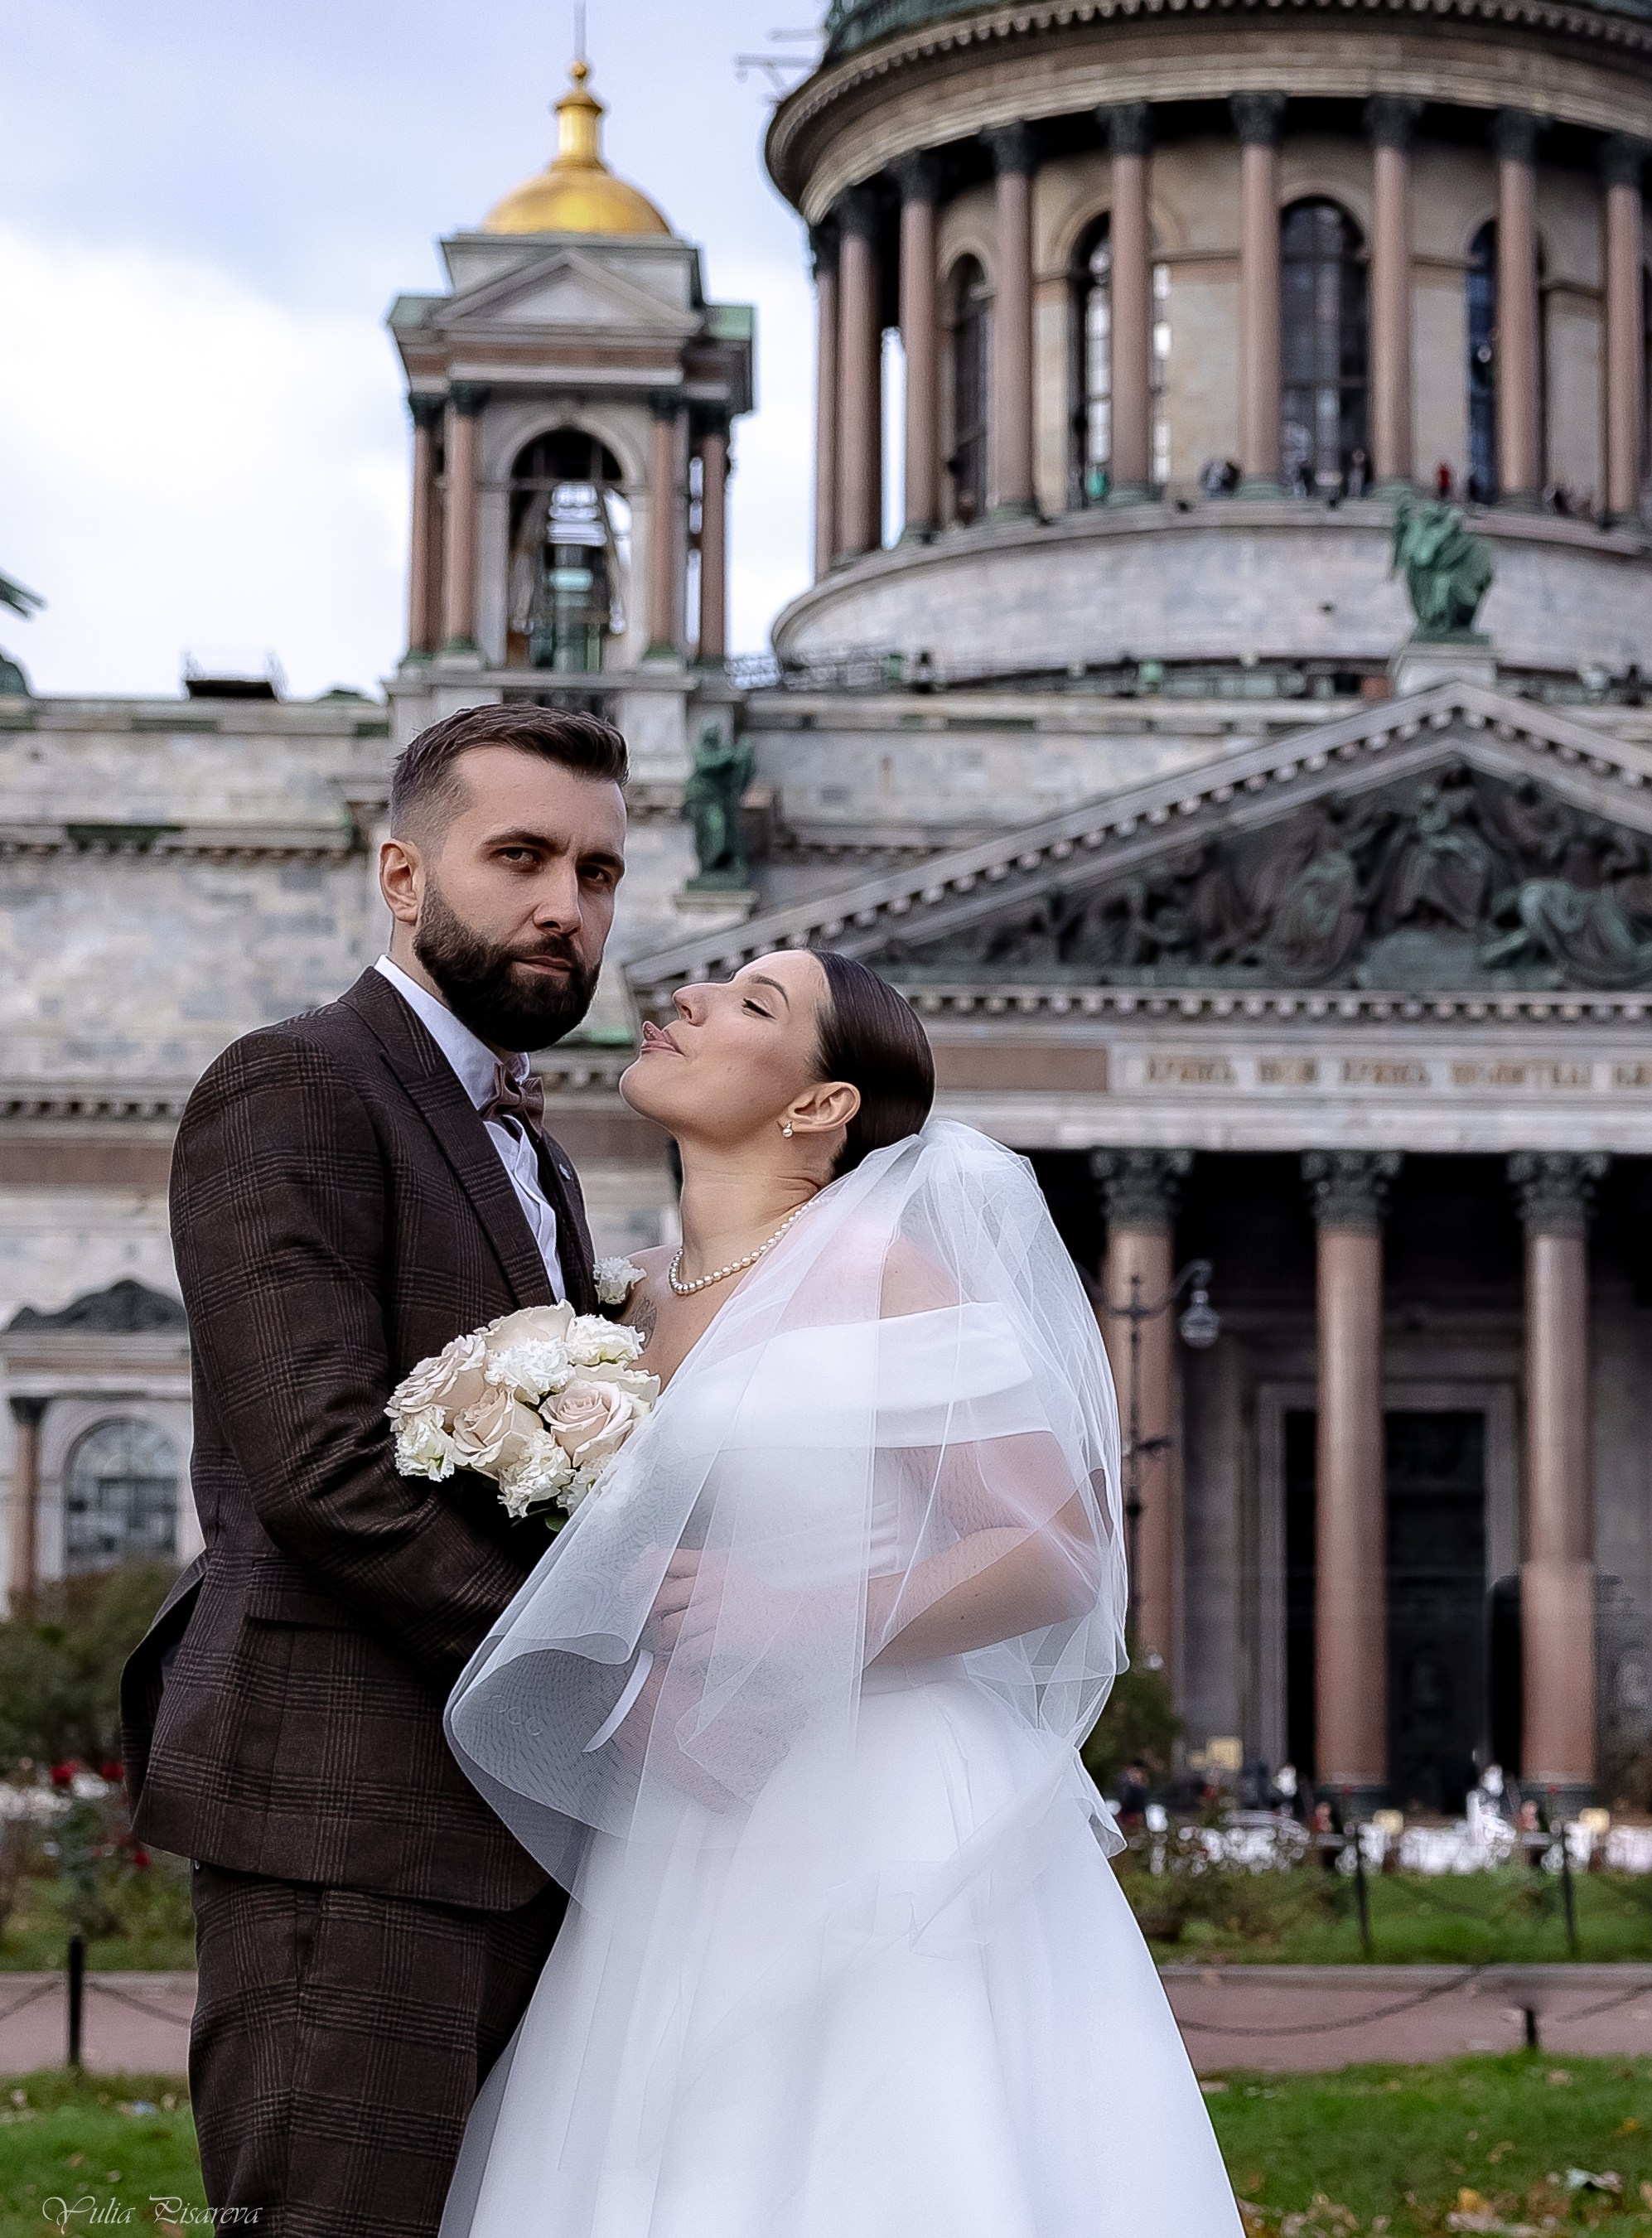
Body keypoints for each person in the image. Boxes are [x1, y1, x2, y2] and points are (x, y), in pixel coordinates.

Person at [438, 950, 1241, 2236]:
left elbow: (1056, 1547)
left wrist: (802, 1612)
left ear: (819, 1106)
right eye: (706, 987)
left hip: (877, 1804)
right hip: (687, 1808)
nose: (688, 1000)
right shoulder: (619, 1299)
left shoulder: (877, 1266)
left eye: (753, 1003)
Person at [118, 702, 631, 2237]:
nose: (566, 905)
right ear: (403, 877)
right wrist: (592, 1670)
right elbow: (321, 1467)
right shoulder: (297, 1085)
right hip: (348, 1824)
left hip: (496, 1833)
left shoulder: (529, 1149)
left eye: (599, 872)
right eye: (522, 856)